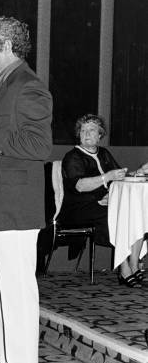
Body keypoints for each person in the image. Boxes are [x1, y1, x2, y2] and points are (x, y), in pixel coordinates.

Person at [0, 16, 53, 363]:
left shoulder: (28, 86)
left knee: (17, 286)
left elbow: (40, 146)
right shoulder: (3, 84)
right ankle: (6, 358)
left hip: (17, 206)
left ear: (6, 46)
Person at [60, 114, 142, 287]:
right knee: (115, 216)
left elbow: (118, 177)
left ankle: (134, 265)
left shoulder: (104, 153)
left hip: (103, 205)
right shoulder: (72, 157)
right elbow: (80, 186)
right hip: (78, 208)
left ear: (100, 135)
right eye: (83, 130)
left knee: (135, 214)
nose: (86, 133)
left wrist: (138, 172)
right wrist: (106, 177)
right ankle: (124, 268)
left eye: (91, 130)